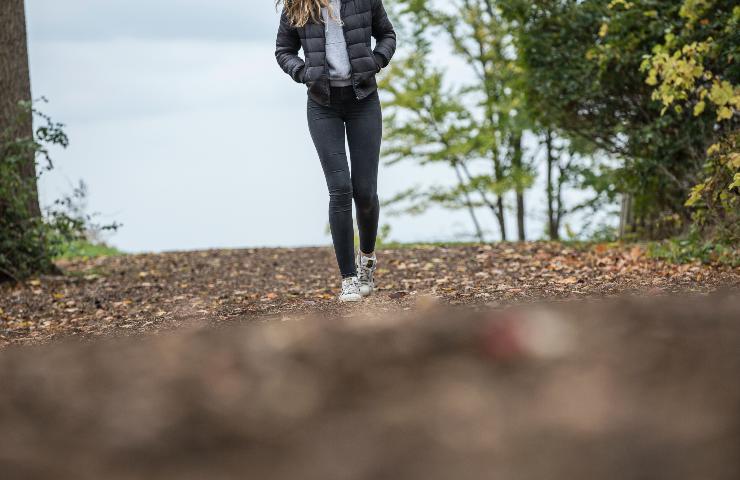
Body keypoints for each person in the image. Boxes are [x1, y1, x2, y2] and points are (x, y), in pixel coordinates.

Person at [274, 0, 396, 302]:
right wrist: (303, 73)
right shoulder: (298, 4)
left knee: (365, 192)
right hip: (322, 104)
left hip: (363, 99)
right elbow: (283, 50)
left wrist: (376, 61)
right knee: (340, 188)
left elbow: (387, 35)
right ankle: (349, 280)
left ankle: (366, 260)